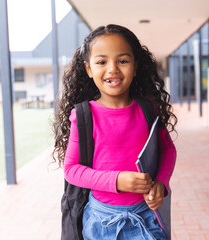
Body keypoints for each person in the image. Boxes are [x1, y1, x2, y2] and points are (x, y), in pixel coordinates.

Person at [53, 24, 177, 240]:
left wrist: (161, 183)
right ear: (89, 69)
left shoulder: (148, 109)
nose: (112, 69)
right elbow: (72, 169)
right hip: (101, 222)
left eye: (122, 61)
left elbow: (167, 148)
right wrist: (117, 180)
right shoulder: (84, 116)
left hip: (146, 218)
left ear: (135, 66)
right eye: (102, 62)